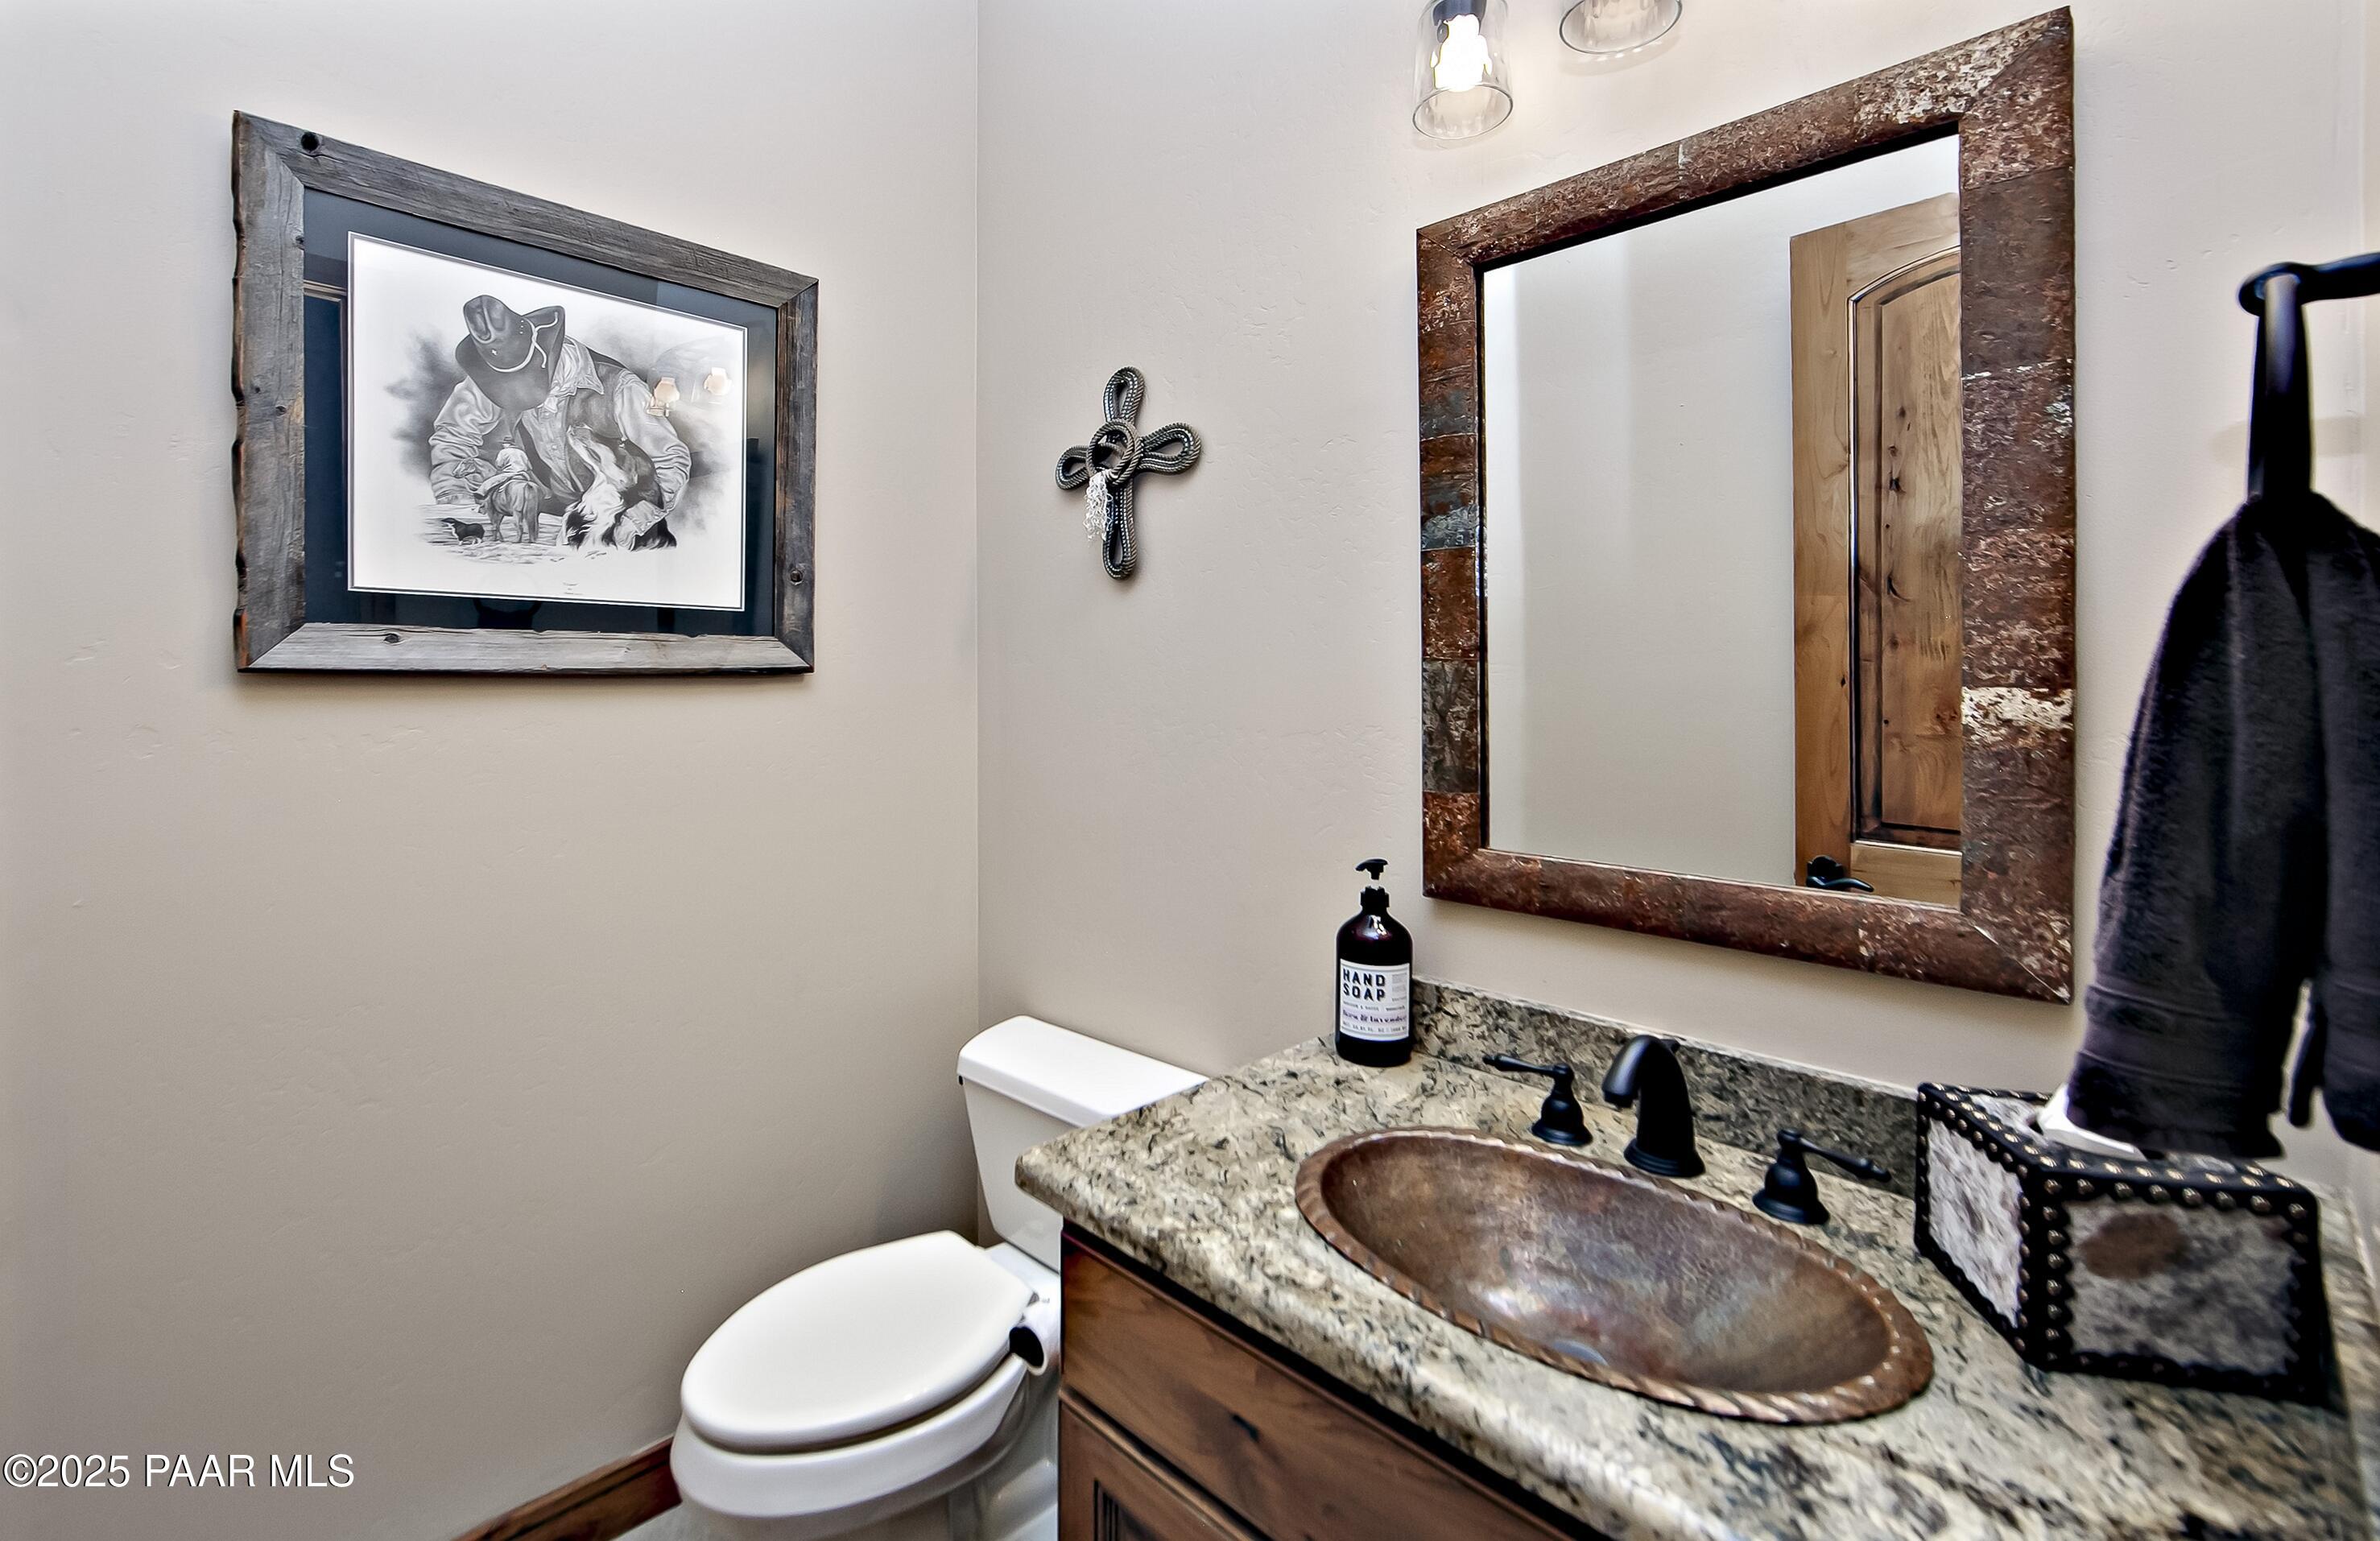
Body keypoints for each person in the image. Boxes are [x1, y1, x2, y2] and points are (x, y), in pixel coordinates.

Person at [426, 294, 690, 547]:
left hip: (625, 532)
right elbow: (453, 433)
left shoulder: (621, 389)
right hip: (554, 524)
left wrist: (635, 520)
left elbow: (671, 460)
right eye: (504, 384)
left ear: (546, 355)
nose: (512, 392)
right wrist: (453, 495)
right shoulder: (493, 374)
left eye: (522, 380)